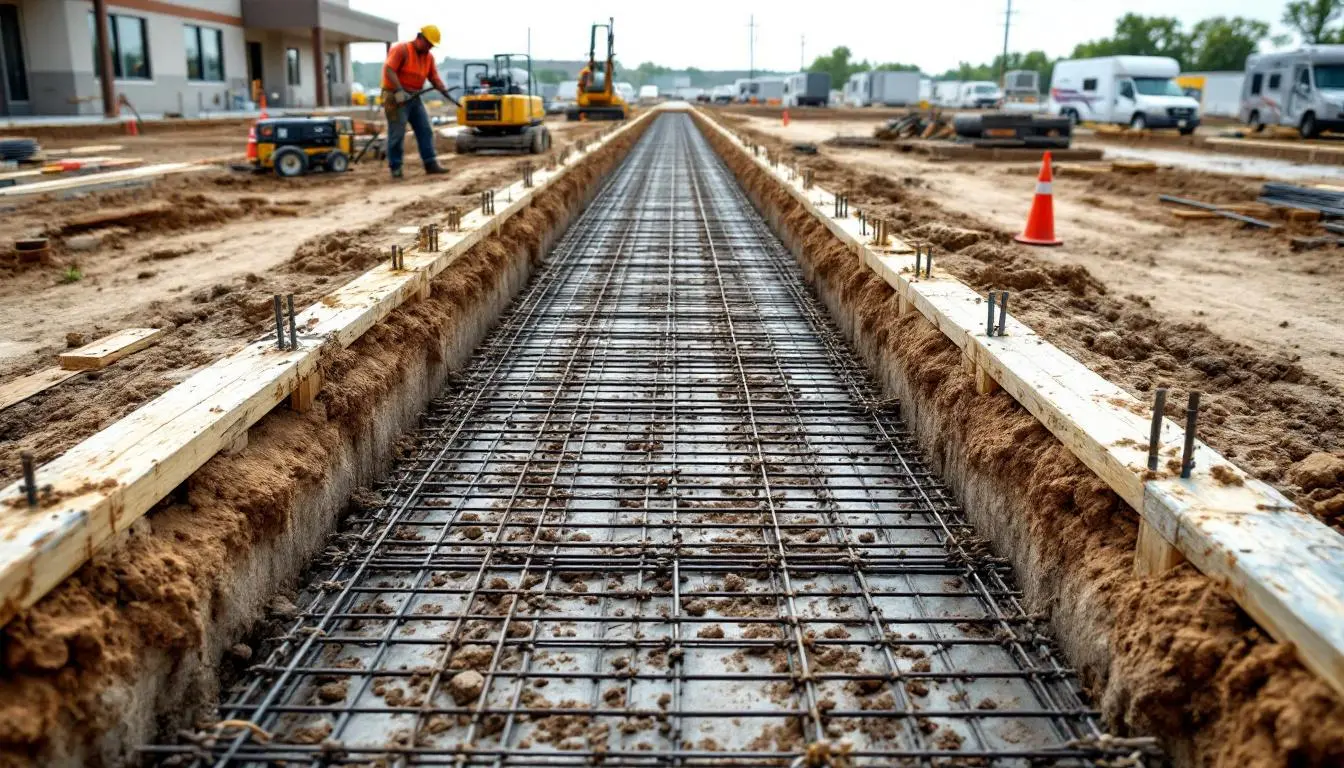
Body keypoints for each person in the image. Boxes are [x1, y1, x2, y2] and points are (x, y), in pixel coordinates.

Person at [381, 24, 455, 178]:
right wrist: (399, 91)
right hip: (395, 96)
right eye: (428, 44)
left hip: (414, 96)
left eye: (432, 46)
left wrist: (443, 90)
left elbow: (433, 77)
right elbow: (389, 69)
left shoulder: (428, 57)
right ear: (419, 37)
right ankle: (396, 167)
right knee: (397, 132)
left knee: (425, 129)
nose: (429, 48)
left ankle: (430, 163)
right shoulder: (402, 49)